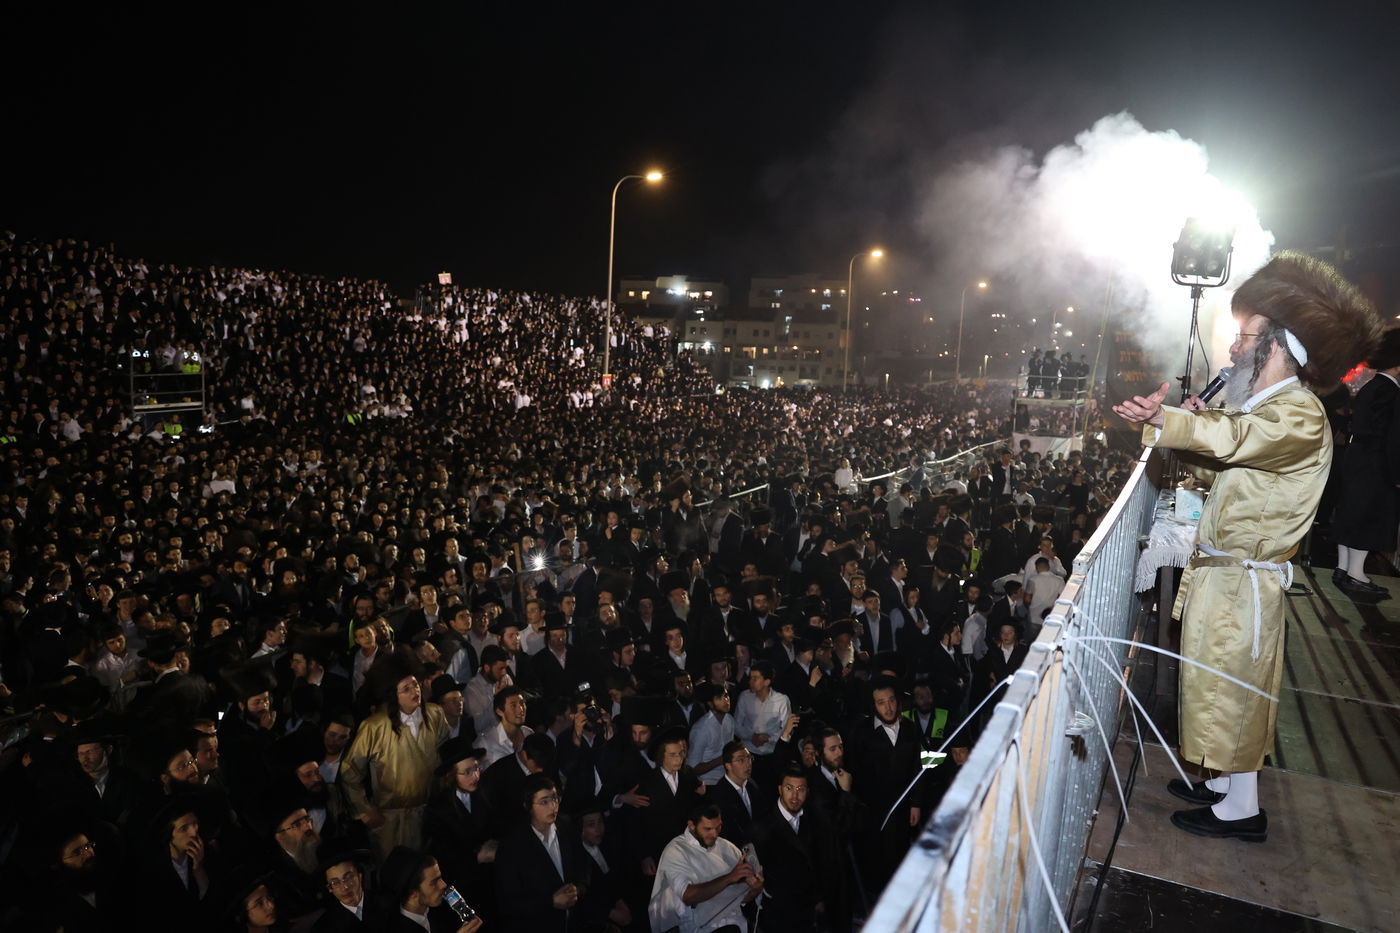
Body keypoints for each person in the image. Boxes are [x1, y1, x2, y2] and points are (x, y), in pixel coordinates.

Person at [1112, 251, 1380, 842]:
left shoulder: (1298, 415)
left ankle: (1241, 812)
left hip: (1244, 580)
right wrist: (1194, 436)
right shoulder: (1268, 411)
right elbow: (1226, 471)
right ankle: (1225, 788)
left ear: (1279, 344)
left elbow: (1237, 440)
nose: (1233, 349)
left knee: (1233, 689)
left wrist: (1176, 422)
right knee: (1220, 685)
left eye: (1244, 336)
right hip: (1226, 575)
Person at [340, 650, 450, 861]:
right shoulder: (375, 726)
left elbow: (445, 757)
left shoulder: (435, 714)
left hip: (430, 812)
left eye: (416, 685)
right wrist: (365, 811)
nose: (414, 691)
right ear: (393, 695)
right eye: (406, 689)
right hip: (390, 819)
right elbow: (349, 771)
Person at [1330, 327, 1400, 596]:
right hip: (1376, 462)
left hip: (1357, 457)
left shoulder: (1372, 386)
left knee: (1350, 512)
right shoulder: (1389, 391)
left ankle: (1343, 569)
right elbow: (1393, 437)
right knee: (1368, 517)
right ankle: (1356, 575)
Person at [495, 774, 593, 933]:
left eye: (555, 798)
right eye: (544, 802)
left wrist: (578, 889)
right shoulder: (512, 847)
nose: (553, 806)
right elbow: (508, 902)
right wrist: (550, 902)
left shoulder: (566, 825)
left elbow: (583, 864)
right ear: (528, 806)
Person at [648, 802, 764, 933]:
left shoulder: (728, 847)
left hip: (737, 921)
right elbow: (688, 896)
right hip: (698, 926)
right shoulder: (676, 851)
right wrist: (729, 878)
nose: (715, 834)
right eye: (708, 829)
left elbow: (740, 897)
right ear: (691, 826)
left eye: (718, 827)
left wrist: (756, 889)